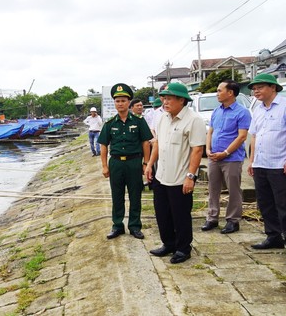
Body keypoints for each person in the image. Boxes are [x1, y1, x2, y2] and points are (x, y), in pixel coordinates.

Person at [144, 83, 206, 264]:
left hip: (180, 179)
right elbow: (158, 144)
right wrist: (149, 165)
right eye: (164, 98)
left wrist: (190, 177)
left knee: (181, 216)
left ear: (182, 100)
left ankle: (183, 248)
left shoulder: (194, 120)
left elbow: (197, 150)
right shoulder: (163, 118)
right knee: (162, 213)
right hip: (161, 176)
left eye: (169, 98)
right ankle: (168, 244)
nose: (165, 101)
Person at [246, 74, 286, 263]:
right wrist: (252, 160)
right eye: (254, 89)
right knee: (265, 203)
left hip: (279, 164)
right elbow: (254, 136)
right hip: (261, 163)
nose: (256, 91)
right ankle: (273, 236)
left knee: (285, 205)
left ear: (273, 88)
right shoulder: (258, 110)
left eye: (260, 87)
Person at [98, 83, 153, 240]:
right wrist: (104, 166)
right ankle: (117, 225)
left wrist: (145, 163)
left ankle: (135, 226)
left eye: (123, 100)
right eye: (117, 101)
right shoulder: (110, 123)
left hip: (134, 162)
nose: (120, 103)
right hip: (115, 163)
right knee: (117, 195)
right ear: (114, 103)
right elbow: (103, 145)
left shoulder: (138, 120)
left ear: (129, 102)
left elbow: (145, 142)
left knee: (135, 195)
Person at [202, 80, 251, 234]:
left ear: (230, 93)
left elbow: (242, 136)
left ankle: (233, 220)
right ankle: (212, 218)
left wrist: (226, 153)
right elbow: (210, 131)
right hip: (213, 157)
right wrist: (208, 149)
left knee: (233, 189)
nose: (217, 93)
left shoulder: (242, 112)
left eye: (219, 90)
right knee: (213, 188)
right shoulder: (217, 111)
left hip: (232, 158)